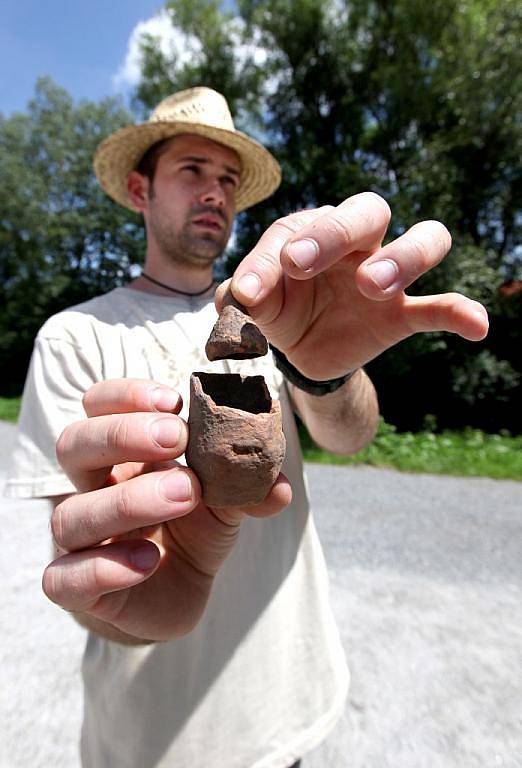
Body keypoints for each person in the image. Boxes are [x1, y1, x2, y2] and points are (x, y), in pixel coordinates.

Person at [5, 86, 488, 768]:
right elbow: (79, 564)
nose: (215, 192)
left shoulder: (275, 308)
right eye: (193, 171)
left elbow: (351, 437)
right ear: (140, 189)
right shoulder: (75, 336)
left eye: (228, 179)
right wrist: (118, 599)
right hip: (150, 738)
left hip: (285, 715)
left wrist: (323, 370)